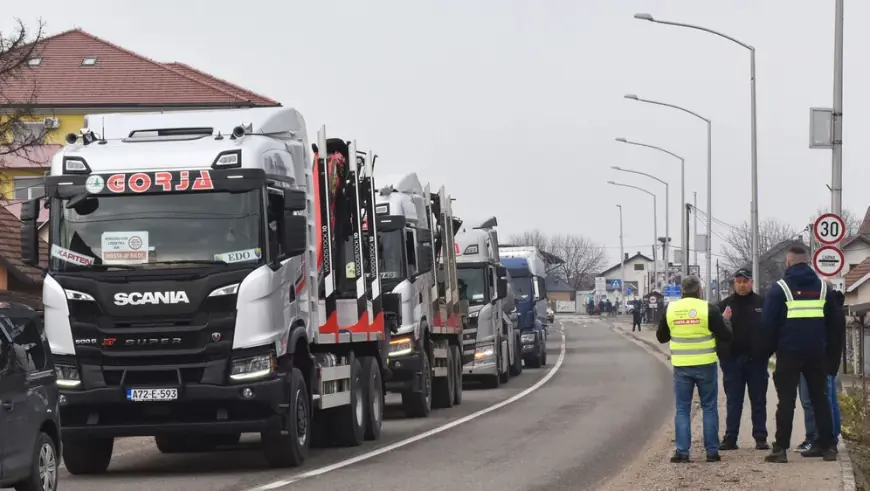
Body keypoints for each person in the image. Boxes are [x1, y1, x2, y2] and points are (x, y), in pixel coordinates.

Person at [761, 245, 845, 463]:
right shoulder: (824, 289)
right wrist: (831, 358)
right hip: (817, 353)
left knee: (786, 401)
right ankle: (828, 447)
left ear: (788, 262)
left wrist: (766, 353)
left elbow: (768, 325)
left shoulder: (780, 289)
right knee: (820, 399)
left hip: (789, 353)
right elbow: (834, 326)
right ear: (807, 262)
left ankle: (780, 450)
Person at [657, 275, 733, 463]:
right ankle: (712, 452)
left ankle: (682, 452)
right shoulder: (708, 308)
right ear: (699, 290)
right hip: (706, 364)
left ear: (682, 291)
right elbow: (726, 334)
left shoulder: (671, 309)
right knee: (709, 407)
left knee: (682, 409)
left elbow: (661, 337)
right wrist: (725, 320)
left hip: (681, 365)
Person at [717, 268, 770, 451]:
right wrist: (724, 356)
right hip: (732, 361)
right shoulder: (724, 305)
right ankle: (731, 438)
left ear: (751, 283)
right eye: (738, 281)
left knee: (758, 400)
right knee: (734, 401)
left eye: (745, 281)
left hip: (756, 361)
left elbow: (771, 331)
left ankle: (760, 437)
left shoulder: (763, 304)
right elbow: (716, 334)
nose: (741, 284)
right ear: (734, 283)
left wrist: (766, 354)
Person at [796, 288, 845, 453]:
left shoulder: (828, 313)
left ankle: (817, 438)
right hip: (830, 363)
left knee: (815, 401)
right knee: (831, 402)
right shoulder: (838, 311)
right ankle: (832, 437)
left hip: (820, 363)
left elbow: (826, 340)